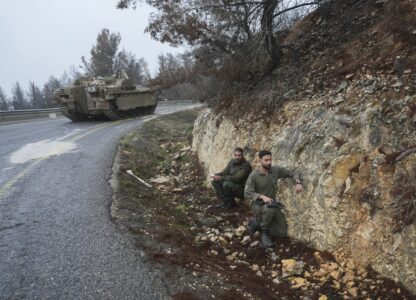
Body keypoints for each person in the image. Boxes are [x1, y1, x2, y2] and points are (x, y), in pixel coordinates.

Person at [244, 150, 303, 248]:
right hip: (257, 205)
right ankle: (265, 233)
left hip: (272, 204)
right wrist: (262, 196)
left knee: (282, 232)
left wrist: (297, 182)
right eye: (266, 160)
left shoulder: (275, 170)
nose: (269, 162)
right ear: (260, 160)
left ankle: (257, 224)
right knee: (269, 209)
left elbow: (292, 172)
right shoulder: (254, 175)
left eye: (270, 159)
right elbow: (247, 193)